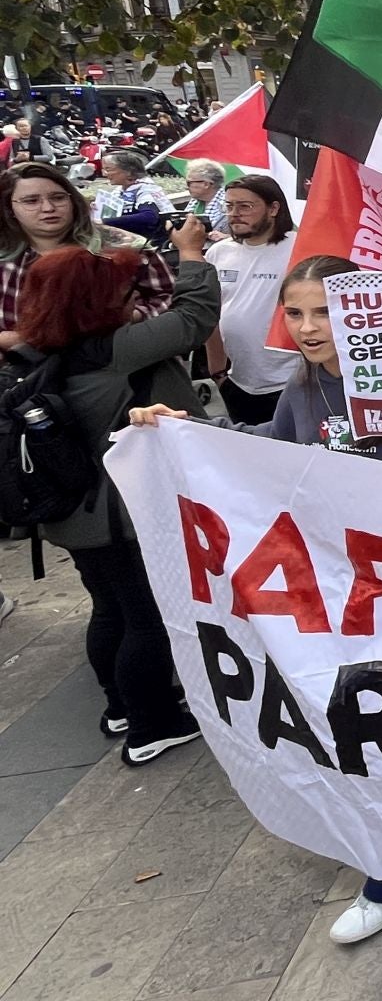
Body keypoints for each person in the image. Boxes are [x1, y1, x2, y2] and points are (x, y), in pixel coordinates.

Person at [131, 252, 382, 942]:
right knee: (369, 724)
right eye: (298, 312)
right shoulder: (301, 393)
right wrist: (182, 432)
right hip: (344, 598)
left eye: (325, 311)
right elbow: (265, 459)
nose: (309, 327)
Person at [15, 217, 216, 764]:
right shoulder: (115, 348)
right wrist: (193, 257)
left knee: (110, 610)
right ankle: (154, 724)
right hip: (117, 515)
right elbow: (194, 319)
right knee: (146, 620)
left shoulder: (38, 350)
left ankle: (120, 706)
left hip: (71, 515)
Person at [0, 163, 174, 348]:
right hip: (17, 371)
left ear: (72, 200)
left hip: (111, 366)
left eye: (58, 198)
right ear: (9, 209)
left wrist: (128, 318)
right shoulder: (6, 258)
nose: (48, 208)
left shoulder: (125, 248)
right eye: (31, 201)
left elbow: (171, 299)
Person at [204, 174, 299, 424]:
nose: (234, 213)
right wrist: (218, 373)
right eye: (230, 206)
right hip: (237, 382)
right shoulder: (218, 253)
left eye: (245, 206)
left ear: (274, 208)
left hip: (292, 382)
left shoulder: (300, 249)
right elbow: (211, 316)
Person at [90, 149, 171, 241]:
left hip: (152, 243)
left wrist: (105, 222)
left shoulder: (146, 189)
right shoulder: (121, 190)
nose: (104, 174)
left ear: (129, 172)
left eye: (108, 169)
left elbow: (150, 217)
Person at [182, 160, 229, 237]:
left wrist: (226, 237)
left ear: (206, 184)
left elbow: (246, 236)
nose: (186, 187)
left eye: (189, 183)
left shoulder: (228, 203)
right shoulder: (195, 201)